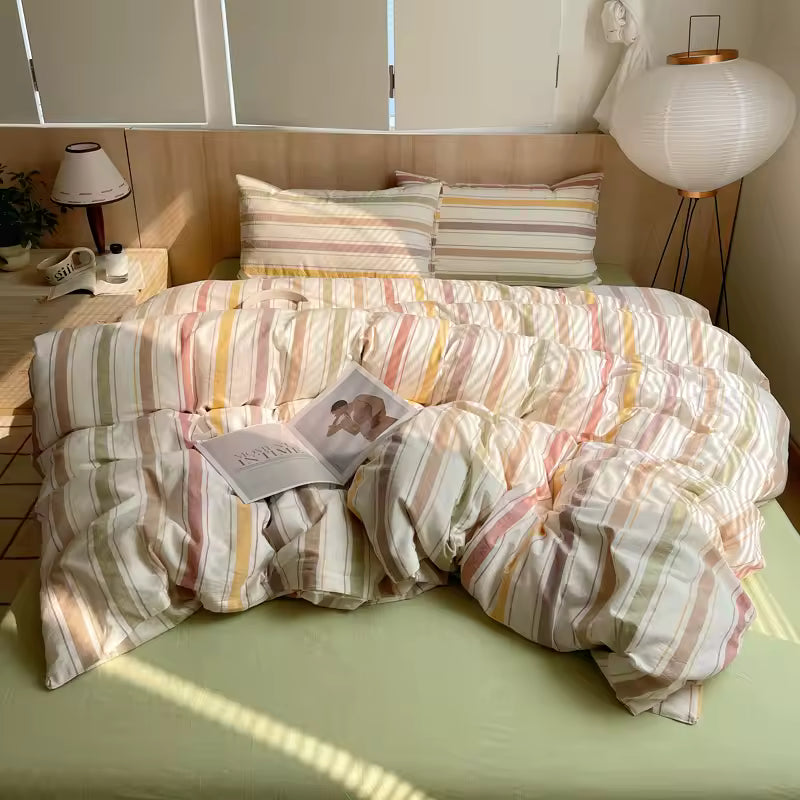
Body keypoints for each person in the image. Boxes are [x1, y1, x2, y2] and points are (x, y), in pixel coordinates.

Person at [327, 394, 399, 442]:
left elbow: (379, 401)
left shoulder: (359, 399)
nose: (336, 416)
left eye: (335, 413)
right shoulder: (346, 420)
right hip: (378, 439)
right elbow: (329, 434)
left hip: (388, 425)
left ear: (339, 408)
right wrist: (335, 422)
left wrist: (373, 417)